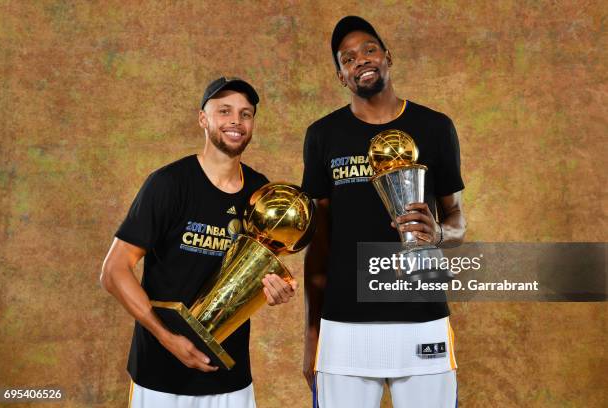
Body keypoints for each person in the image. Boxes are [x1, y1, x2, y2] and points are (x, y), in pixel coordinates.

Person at [101, 77, 296, 408]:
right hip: (162, 376)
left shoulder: (261, 192)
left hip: (230, 380)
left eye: (245, 114)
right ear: (203, 119)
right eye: (224, 111)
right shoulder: (168, 184)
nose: (236, 121)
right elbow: (114, 271)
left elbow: (263, 267)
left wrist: (281, 288)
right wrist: (166, 337)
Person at [301, 16, 466, 408]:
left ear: (388, 57)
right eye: (348, 58)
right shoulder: (323, 135)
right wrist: (311, 337)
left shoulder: (436, 127)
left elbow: (458, 224)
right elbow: (318, 245)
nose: (361, 60)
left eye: (369, 50)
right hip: (344, 325)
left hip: (422, 318)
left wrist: (438, 234)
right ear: (342, 76)